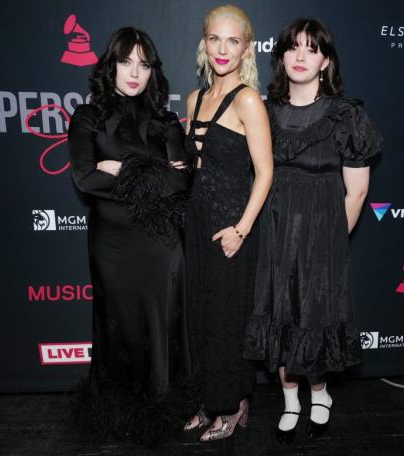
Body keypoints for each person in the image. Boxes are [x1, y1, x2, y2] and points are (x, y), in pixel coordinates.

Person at [243, 18, 382, 443]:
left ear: (325, 61)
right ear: (281, 57)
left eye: (312, 48)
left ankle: (319, 393)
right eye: (293, 48)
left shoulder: (346, 116)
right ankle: (290, 400)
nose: (301, 56)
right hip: (273, 233)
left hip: (323, 235)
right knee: (278, 315)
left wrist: (332, 243)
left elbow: (356, 193)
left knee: (314, 316)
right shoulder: (263, 113)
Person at [68, 27, 194, 446]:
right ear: (111, 65)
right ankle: (117, 410)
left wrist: (118, 167)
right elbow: (86, 179)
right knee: (116, 325)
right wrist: (151, 170)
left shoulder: (166, 121)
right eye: (126, 62)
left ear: (152, 71)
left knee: (160, 326)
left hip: (160, 244)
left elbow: (181, 183)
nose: (134, 72)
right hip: (113, 243)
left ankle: (160, 408)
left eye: (143, 64)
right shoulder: (87, 117)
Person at [183, 4, 273, 442]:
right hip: (198, 224)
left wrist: (242, 228)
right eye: (214, 39)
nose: (222, 49)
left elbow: (266, 171)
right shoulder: (194, 98)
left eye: (232, 41)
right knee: (201, 314)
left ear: (246, 49)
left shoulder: (249, 99)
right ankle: (208, 399)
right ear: (204, 43)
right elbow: (198, 167)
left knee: (227, 318)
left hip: (233, 227)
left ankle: (234, 404)